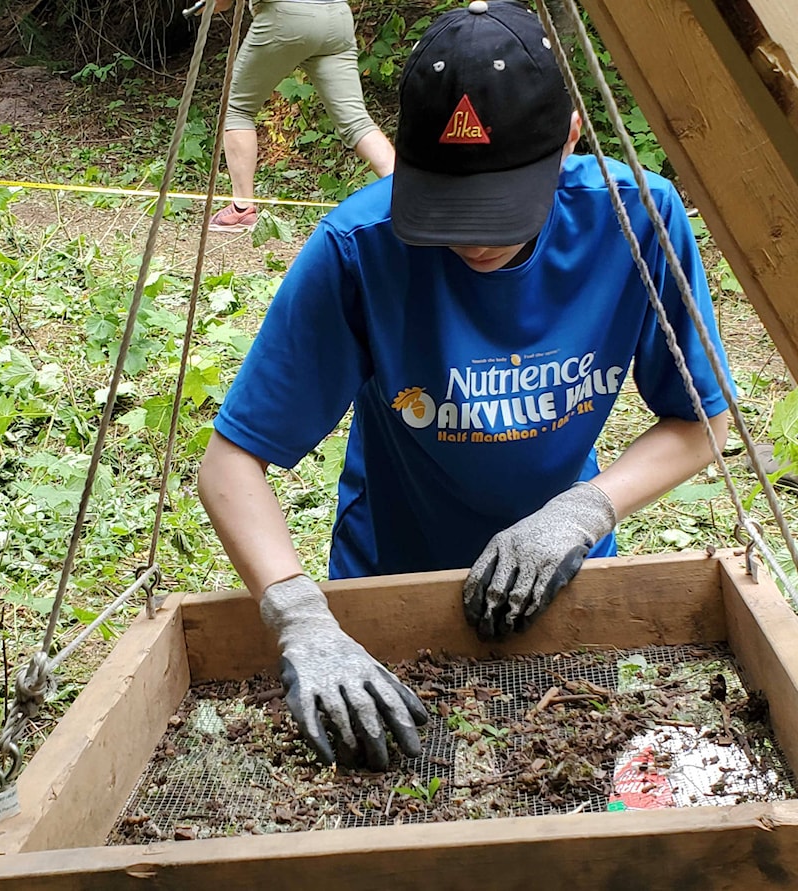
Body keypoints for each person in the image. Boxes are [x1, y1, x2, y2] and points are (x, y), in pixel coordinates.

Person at [198, 0, 733, 769]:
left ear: (570, 140)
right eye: (447, 209)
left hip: (563, 577)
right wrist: (299, 617)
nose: (475, 238)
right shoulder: (362, 246)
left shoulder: (634, 220)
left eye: (501, 209)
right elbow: (229, 464)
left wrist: (582, 511)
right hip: (391, 583)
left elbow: (705, 419)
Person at [207, 0, 395, 232]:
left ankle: (241, 208)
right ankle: (407, 194)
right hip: (337, 18)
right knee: (356, 120)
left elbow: (222, 4)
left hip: (287, 17)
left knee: (238, 109)